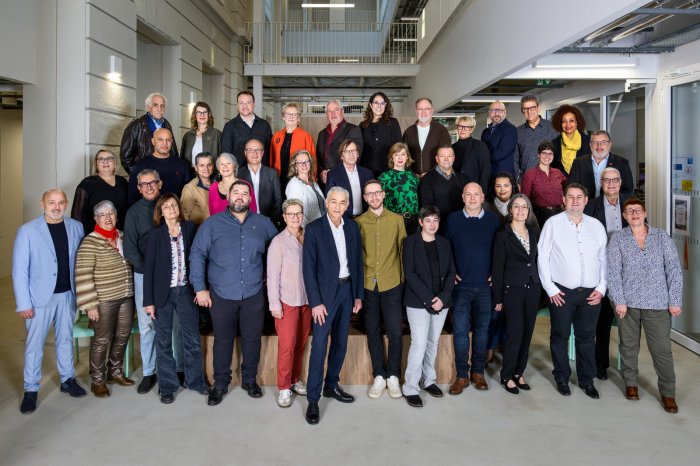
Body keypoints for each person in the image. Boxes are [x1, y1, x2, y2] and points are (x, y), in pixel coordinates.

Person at [190, 180, 277, 406]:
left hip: (253, 292)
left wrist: (270, 275)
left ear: (250, 198)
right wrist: (200, 288)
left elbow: (278, 250)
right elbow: (197, 254)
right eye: (235, 192)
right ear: (228, 197)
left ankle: (250, 380)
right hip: (221, 293)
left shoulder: (264, 224)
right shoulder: (211, 224)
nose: (240, 196)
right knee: (223, 340)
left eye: (244, 193)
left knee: (252, 339)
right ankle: (220, 384)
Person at [13, 189, 86, 414]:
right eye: (52, 202)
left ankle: (67, 380)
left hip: (67, 295)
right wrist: (24, 303)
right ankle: (31, 389)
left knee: (65, 339)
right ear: (42, 204)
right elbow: (19, 270)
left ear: (66, 204)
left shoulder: (76, 227)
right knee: (35, 346)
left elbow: (81, 262)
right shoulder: (27, 231)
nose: (56, 207)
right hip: (38, 299)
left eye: (61, 202)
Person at [607, 198, 683, 414]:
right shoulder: (618, 238)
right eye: (629, 211)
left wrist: (675, 300)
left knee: (661, 350)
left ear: (645, 213)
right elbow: (613, 272)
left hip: (658, 303)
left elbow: (674, 270)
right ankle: (630, 383)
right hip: (627, 304)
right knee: (628, 346)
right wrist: (619, 300)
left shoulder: (661, 237)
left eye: (638, 210)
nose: (634, 214)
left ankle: (668, 393)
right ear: (624, 216)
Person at [537, 183, 607, 399]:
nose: (575, 201)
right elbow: (543, 256)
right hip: (561, 292)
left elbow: (604, 258)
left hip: (591, 293)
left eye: (579, 197)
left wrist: (602, 287)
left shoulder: (596, 226)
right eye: (571, 197)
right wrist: (550, 288)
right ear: (564, 200)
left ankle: (587, 380)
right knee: (560, 335)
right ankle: (561, 378)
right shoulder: (552, 224)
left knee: (587, 337)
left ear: (586, 200)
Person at [302, 187, 364, 425]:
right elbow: (308, 269)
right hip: (325, 296)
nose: (338, 206)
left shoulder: (352, 227)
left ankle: (331, 384)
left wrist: (358, 295)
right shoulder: (314, 229)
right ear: (326, 203)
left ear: (347, 205)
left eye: (342, 202)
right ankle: (313, 399)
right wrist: (316, 302)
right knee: (319, 346)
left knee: (341, 342)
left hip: (347, 290)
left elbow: (357, 262)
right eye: (334, 202)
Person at [143, 194, 208, 404]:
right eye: (166, 206)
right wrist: (148, 301)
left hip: (186, 292)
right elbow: (149, 270)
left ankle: (195, 381)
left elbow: (198, 258)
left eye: (174, 205)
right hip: (162, 294)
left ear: (179, 208)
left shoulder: (189, 228)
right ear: (160, 212)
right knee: (163, 341)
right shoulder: (155, 235)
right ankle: (167, 387)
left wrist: (200, 287)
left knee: (192, 339)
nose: (171, 209)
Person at [75, 200, 134, 398]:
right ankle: (97, 380)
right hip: (103, 300)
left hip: (126, 296)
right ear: (96, 219)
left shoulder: (123, 236)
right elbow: (83, 275)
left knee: (123, 335)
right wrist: (90, 305)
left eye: (111, 213)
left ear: (116, 216)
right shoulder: (90, 242)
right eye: (102, 215)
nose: (107, 218)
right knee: (102, 340)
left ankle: (115, 372)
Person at [445, 183, 500, 394]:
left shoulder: (493, 220)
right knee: (460, 331)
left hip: (485, 286)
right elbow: (445, 248)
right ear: (463, 196)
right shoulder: (452, 219)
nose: (472, 198)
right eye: (468, 194)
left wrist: (495, 272)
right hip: (461, 287)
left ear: (483, 197)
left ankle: (478, 373)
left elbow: (500, 250)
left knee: (482, 330)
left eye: (476, 194)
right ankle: (461, 375)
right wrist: (451, 271)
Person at [356, 180, 407, 400]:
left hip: (392, 282)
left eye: (377, 193)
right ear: (365, 198)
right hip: (369, 284)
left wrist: (403, 280)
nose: (374, 197)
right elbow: (357, 255)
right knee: (373, 330)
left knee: (395, 332)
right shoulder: (358, 223)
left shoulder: (397, 220)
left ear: (383, 194)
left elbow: (402, 250)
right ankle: (379, 374)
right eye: (370, 194)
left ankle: (393, 375)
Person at [402, 206, 456, 407]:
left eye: (435, 220)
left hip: (441, 302)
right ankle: (410, 387)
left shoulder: (444, 243)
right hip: (418, 302)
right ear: (420, 222)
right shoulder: (410, 243)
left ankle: (428, 380)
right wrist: (429, 299)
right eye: (428, 220)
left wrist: (442, 297)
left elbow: (451, 272)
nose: (432, 224)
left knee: (433, 342)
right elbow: (410, 274)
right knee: (419, 344)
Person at [491, 194, 541, 394]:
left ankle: (519, 372)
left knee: (528, 332)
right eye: (517, 206)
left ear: (528, 211)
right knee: (515, 332)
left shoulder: (533, 232)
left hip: (533, 287)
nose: (521, 210)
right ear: (510, 210)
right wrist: (498, 297)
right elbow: (497, 267)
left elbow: (536, 261)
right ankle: (507, 375)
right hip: (512, 289)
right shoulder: (503, 234)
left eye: (524, 207)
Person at [584, 166, 630, 380]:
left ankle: (629, 368)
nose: (611, 184)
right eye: (606, 180)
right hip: (600, 269)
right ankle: (600, 364)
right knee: (602, 321)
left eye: (615, 180)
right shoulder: (591, 206)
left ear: (620, 182)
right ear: (601, 183)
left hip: (627, 270)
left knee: (628, 322)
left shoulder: (631, 204)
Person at [266, 199, 311, 408]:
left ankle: (294, 379)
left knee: (300, 343)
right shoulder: (278, 242)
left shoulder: (309, 236)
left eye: (298, 213)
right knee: (287, 346)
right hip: (287, 302)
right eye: (291, 214)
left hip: (307, 301)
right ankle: (284, 386)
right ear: (284, 217)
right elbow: (272, 276)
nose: (295, 217)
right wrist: (274, 305)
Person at [123, 169, 161, 394]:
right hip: (143, 274)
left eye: (152, 182)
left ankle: (174, 368)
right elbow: (129, 248)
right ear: (138, 188)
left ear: (160, 184)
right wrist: (150, 271)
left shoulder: (168, 205)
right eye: (144, 184)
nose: (149, 187)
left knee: (170, 323)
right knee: (147, 325)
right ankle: (149, 371)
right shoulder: (134, 212)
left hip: (169, 275)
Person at [128, 128, 191, 205]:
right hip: (148, 211)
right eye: (160, 139)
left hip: (174, 209)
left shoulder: (181, 164)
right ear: (153, 141)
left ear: (172, 142)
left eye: (168, 140)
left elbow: (187, 193)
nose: (165, 143)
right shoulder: (140, 166)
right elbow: (132, 197)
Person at [71, 149, 129, 232]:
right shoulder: (87, 183)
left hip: (120, 234)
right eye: (101, 159)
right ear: (96, 164)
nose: (105, 162)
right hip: (95, 235)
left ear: (114, 163)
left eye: (109, 158)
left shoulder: (122, 182)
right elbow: (76, 217)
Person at [120, 92, 178, 173]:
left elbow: (174, 152)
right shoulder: (136, 125)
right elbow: (126, 158)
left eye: (162, 106)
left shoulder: (167, 125)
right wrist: (138, 176)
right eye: (155, 105)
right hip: (145, 177)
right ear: (148, 107)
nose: (159, 109)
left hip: (166, 173)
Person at [569, 130, 634, 198]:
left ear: (610, 144)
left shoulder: (622, 163)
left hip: (611, 204)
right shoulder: (578, 163)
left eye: (603, 142)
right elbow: (571, 188)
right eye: (595, 142)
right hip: (585, 204)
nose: (599, 146)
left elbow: (628, 192)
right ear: (590, 145)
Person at [269, 102, 316, 194]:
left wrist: (311, 180)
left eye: (294, 114)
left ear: (298, 118)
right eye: (288, 114)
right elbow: (271, 160)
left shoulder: (306, 137)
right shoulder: (276, 137)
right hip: (279, 179)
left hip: (300, 181)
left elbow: (312, 162)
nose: (291, 117)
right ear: (283, 117)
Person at [521, 141, 568, 227]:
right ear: (538, 155)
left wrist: (566, 204)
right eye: (544, 153)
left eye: (550, 153)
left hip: (560, 214)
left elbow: (568, 188)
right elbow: (525, 199)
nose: (547, 156)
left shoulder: (557, 172)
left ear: (553, 156)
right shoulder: (530, 174)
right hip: (540, 216)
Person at [316, 99, 363, 185]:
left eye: (336, 110)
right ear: (327, 114)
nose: (332, 114)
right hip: (325, 181)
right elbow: (318, 157)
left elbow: (355, 156)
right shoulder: (321, 134)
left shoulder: (353, 130)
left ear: (342, 111)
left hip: (344, 179)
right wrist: (321, 172)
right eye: (329, 111)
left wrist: (334, 172)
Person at [221, 91, 272, 167]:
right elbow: (226, 154)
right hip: (238, 172)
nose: (245, 106)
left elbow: (270, 151)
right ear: (237, 105)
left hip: (262, 172)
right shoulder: (229, 126)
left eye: (248, 102)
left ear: (253, 104)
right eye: (241, 103)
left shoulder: (265, 125)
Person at [419, 145, 467, 226]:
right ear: (437, 159)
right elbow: (427, 207)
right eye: (442, 156)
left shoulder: (463, 179)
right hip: (438, 226)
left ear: (453, 158)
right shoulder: (427, 179)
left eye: (449, 156)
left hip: (460, 224)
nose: (446, 159)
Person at [402, 97, 451, 177]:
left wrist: (431, 173)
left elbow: (446, 156)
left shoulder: (442, 131)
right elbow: (404, 155)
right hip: (413, 177)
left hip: (435, 176)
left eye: (427, 109)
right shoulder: (408, 132)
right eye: (420, 109)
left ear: (432, 111)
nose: (423, 112)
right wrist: (410, 173)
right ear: (416, 111)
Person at [378, 142, 420, 234]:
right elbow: (379, 200)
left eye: (403, 154)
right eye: (396, 155)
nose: (400, 158)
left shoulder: (413, 176)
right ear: (392, 157)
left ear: (407, 157)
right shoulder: (384, 177)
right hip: (393, 220)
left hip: (413, 221)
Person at [238, 138, 282, 226]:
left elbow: (278, 200)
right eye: (250, 150)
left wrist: (271, 221)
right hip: (244, 221)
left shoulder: (272, 173)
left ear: (262, 153)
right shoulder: (238, 174)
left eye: (258, 150)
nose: (254, 153)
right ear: (245, 153)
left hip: (267, 221)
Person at [325, 139, 373, 218]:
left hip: (365, 218)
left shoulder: (367, 173)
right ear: (341, 156)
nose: (351, 154)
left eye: (353, 150)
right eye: (347, 151)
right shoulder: (333, 174)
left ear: (358, 154)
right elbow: (331, 201)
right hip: (343, 219)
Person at [515, 95, 559, 180]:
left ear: (538, 108)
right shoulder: (518, 132)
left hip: (548, 180)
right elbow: (515, 158)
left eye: (532, 108)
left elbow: (558, 156)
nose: (529, 112)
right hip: (526, 180)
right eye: (525, 109)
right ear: (522, 111)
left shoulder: (553, 128)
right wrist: (516, 180)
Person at [359, 92, 402, 177]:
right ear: (371, 105)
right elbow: (360, 150)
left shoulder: (393, 123)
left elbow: (398, 147)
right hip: (366, 171)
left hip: (387, 172)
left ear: (386, 106)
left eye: (382, 103)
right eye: (376, 103)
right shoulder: (363, 125)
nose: (379, 106)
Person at [285, 150, 325, 227]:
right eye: (300, 162)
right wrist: (310, 231)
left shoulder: (314, 183)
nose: (304, 164)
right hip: (310, 229)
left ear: (310, 163)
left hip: (322, 225)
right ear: (295, 166)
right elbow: (296, 214)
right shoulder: (293, 185)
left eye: (307, 161)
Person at [452, 115, 490, 193]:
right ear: (457, 127)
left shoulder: (480, 146)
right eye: (460, 126)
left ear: (471, 129)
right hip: (455, 189)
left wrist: (482, 193)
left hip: (473, 190)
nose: (463, 129)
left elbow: (485, 171)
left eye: (467, 127)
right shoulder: (452, 148)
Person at [550, 104, 590, 176]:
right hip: (562, 182)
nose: (567, 124)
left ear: (577, 122)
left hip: (583, 182)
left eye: (571, 121)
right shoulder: (554, 144)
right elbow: (553, 168)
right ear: (560, 124)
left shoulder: (588, 141)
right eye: (564, 121)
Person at [481, 101, 518, 177]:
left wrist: (482, 159)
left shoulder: (510, 129)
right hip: (488, 174)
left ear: (505, 112)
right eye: (493, 110)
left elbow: (502, 152)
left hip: (503, 175)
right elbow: (482, 149)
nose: (496, 113)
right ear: (489, 113)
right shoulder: (486, 132)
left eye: (500, 110)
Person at [180, 102, 222, 167]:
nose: (202, 115)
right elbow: (181, 159)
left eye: (205, 112)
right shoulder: (187, 136)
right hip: (190, 173)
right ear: (195, 115)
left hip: (210, 173)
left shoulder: (217, 134)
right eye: (199, 112)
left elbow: (221, 159)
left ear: (209, 115)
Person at [180, 152, 214, 225]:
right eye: (202, 165)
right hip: (199, 229)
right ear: (196, 167)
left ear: (213, 166)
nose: (206, 168)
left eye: (209, 165)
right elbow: (184, 215)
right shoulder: (189, 188)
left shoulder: (218, 185)